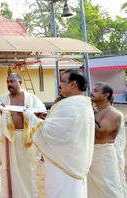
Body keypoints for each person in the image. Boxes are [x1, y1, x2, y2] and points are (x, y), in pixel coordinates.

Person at [23, 70, 95, 198]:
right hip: (72, 159)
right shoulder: (82, 103)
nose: (59, 85)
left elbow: (52, 131)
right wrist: (46, 118)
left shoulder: (70, 105)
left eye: (62, 81)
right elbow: (63, 127)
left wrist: (29, 116)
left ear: (73, 84)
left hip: (64, 164)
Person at [0, 73, 46, 198]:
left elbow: (42, 111)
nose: (9, 84)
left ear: (20, 82)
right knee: (9, 171)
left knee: (27, 171)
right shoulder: (3, 98)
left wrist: (29, 112)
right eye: (8, 82)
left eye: (12, 81)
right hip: (9, 140)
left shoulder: (31, 98)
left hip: (26, 140)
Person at [88, 82, 127, 198]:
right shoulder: (95, 111)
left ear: (106, 95)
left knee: (108, 188)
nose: (91, 93)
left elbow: (100, 135)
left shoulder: (114, 113)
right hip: (90, 155)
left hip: (104, 156)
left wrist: (88, 113)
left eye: (95, 91)